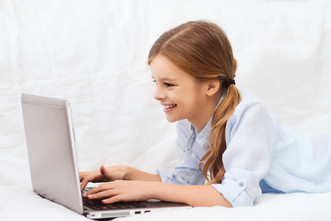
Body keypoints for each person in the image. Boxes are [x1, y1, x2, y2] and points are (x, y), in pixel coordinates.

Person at [80, 20, 331, 208]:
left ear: (210, 86)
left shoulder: (251, 114)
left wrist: (143, 190)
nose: (157, 94)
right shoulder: (189, 119)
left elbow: (235, 196)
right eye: (155, 82)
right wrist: (125, 173)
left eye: (168, 84)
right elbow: (186, 181)